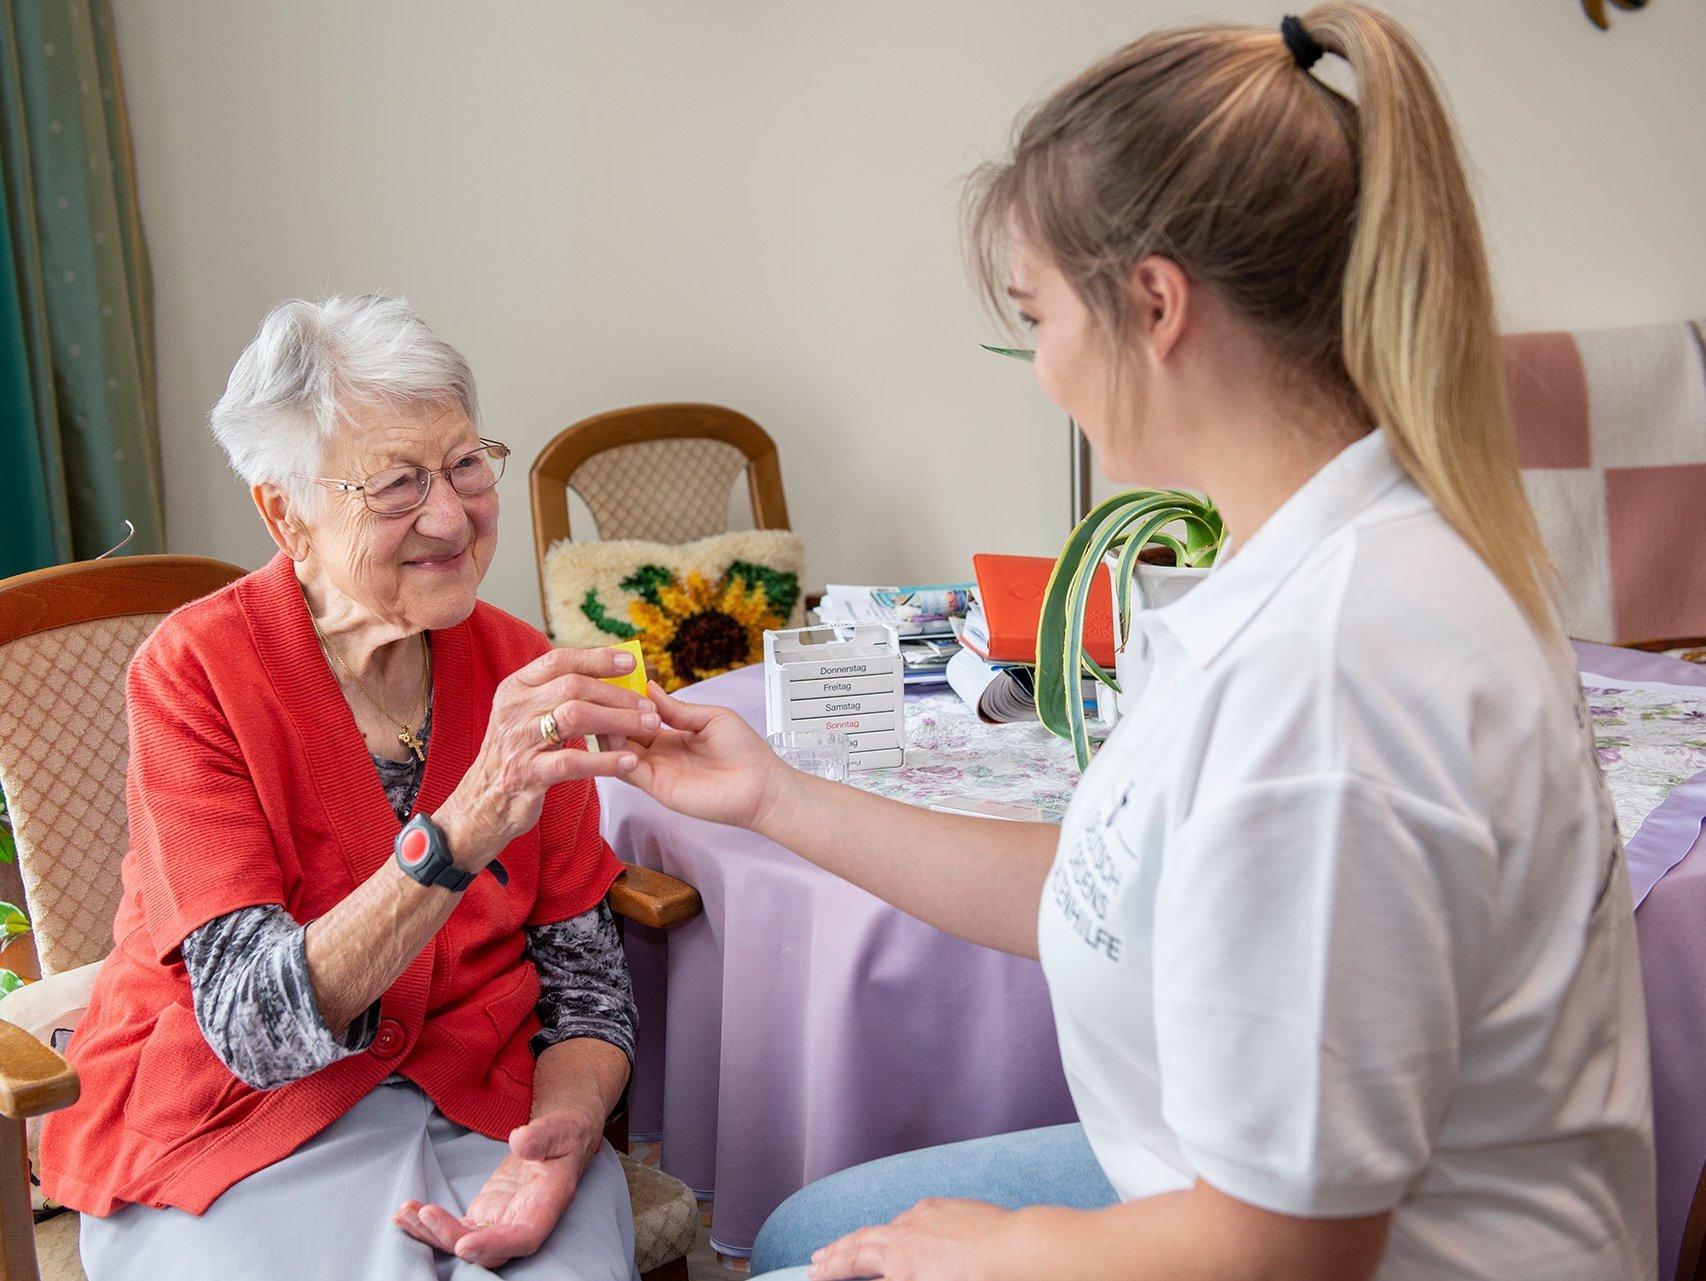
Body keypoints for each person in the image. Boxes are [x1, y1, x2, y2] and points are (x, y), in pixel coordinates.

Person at [615, 7, 1656, 1280]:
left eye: (1038, 315)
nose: (1039, 365)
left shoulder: (1333, 683)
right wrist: (772, 796)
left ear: (1155, 306)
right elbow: (1112, 891)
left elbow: (1288, 1246)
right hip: (1224, 1184)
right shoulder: (1288, 569)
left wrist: (999, 1252)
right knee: (803, 1233)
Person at [39, 295, 656, 1281]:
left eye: (463, 464)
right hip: (234, 1131)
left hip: (483, 1112)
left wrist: (564, 1136)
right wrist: (463, 826)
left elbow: (586, 986)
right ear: (285, 512)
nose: (450, 515)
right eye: (396, 486)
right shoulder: (195, 673)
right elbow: (253, 1031)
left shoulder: (521, 668)